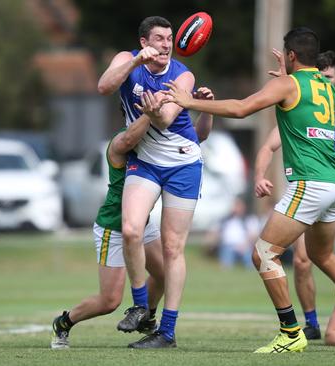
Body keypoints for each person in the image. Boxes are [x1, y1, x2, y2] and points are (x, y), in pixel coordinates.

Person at [165, 27, 335, 353]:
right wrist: (287, 79)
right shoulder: (326, 89)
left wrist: (188, 101)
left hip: (309, 184)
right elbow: (300, 101)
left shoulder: (288, 84)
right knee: (323, 256)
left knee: (263, 254)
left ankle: (290, 331)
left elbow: (242, 107)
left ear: (291, 55)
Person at [50, 87, 215, 350]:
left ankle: (147, 317)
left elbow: (196, 138)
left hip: (142, 226)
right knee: (110, 301)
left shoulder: (160, 140)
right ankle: (64, 322)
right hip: (113, 226)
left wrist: (203, 108)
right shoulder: (120, 141)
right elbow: (129, 140)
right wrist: (154, 111)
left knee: (162, 274)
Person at [97, 16, 211, 349]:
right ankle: (139, 306)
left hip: (183, 163)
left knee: (173, 248)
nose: (166, 44)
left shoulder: (182, 75)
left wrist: (153, 108)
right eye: (159, 39)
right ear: (145, 42)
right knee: (131, 228)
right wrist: (135, 61)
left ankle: (168, 332)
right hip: (145, 162)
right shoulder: (126, 60)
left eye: (170, 38)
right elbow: (104, 87)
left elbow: (164, 120)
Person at [253, 50, 335, 340]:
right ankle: (312, 323)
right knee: (304, 259)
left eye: (329, 78)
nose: (323, 82)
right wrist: (259, 176)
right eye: (319, 76)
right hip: (314, 186)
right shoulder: (303, 105)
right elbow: (269, 145)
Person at [205, 197, 260, 269]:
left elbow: (254, 235)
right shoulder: (225, 219)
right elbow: (214, 232)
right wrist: (211, 241)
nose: (236, 208)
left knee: (249, 259)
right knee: (226, 263)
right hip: (227, 246)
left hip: (245, 246)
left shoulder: (249, 219)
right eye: (235, 206)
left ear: (244, 207)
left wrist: (245, 245)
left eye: (239, 206)